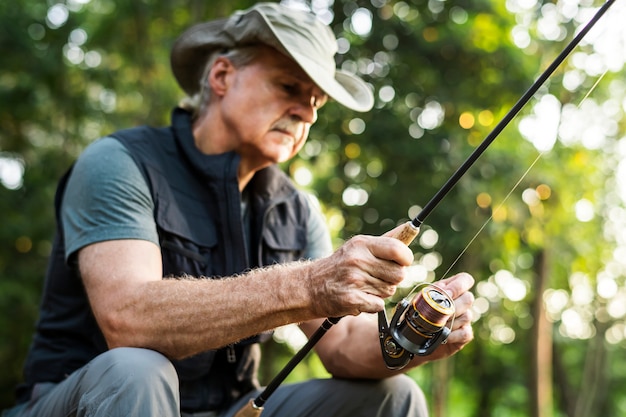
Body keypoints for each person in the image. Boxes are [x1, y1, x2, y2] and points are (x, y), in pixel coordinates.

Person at [4, 3, 475, 417]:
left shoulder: (296, 208)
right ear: (222, 76)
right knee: (137, 370)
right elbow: (128, 320)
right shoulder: (120, 163)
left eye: (316, 101)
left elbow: (345, 348)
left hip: (233, 408)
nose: (308, 113)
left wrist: (416, 337)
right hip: (90, 401)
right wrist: (312, 283)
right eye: (290, 86)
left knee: (396, 395)